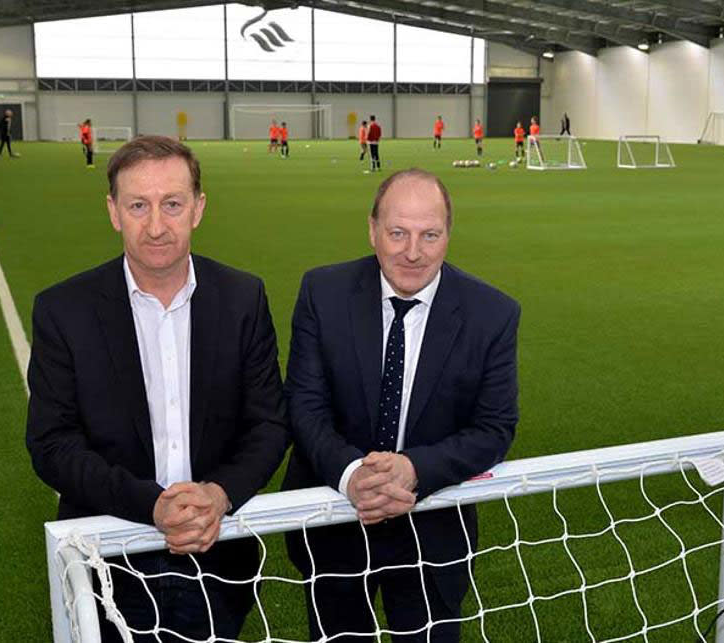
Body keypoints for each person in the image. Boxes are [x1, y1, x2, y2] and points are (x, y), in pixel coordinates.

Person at [26, 135, 289, 643]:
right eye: (138, 205)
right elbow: (51, 443)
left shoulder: (242, 298)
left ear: (198, 208)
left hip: (219, 554)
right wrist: (151, 505)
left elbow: (269, 422)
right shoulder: (64, 310)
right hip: (106, 556)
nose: (155, 226)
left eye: (172, 204)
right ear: (113, 211)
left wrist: (219, 493)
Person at [282, 168, 520, 643]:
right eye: (398, 233)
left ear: (448, 235)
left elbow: (494, 428)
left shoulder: (492, 313)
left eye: (429, 235)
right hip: (334, 527)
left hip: (433, 530)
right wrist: (354, 476)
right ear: (372, 230)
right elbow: (304, 405)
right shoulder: (322, 293)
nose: (413, 252)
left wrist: (413, 469)